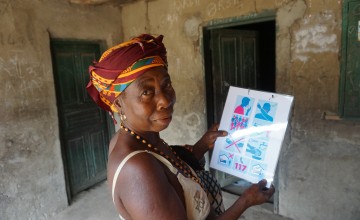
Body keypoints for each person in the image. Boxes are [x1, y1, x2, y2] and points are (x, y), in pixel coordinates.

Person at [86, 34, 275, 220]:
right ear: (118, 104)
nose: (165, 100)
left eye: (166, 84)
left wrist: (202, 146)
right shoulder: (138, 170)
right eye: (146, 92)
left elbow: (171, 171)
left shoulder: (137, 139)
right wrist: (245, 201)